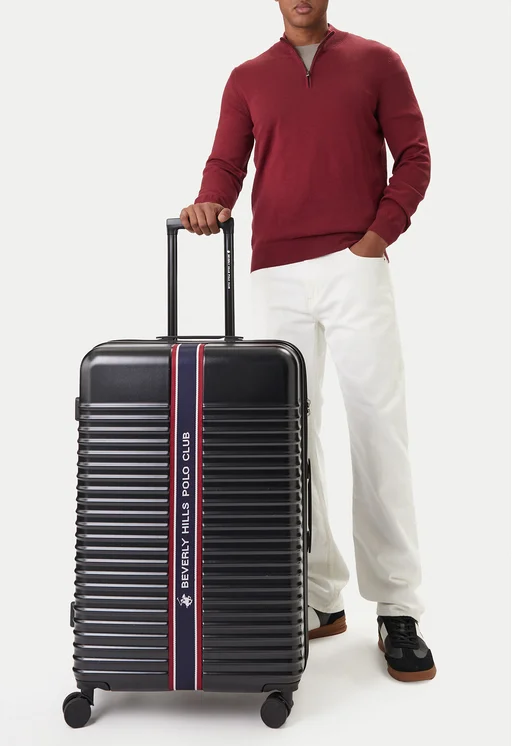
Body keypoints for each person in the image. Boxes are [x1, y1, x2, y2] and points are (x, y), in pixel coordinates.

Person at [180, 0, 435, 682]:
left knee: (377, 427)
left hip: (356, 264)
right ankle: (320, 596)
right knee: (288, 436)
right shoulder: (247, 77)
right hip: (275, 276)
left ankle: (398, 608)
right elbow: (226, 163)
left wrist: (376, 238)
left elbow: (414, 156)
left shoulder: (377, 61)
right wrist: (208, 200)